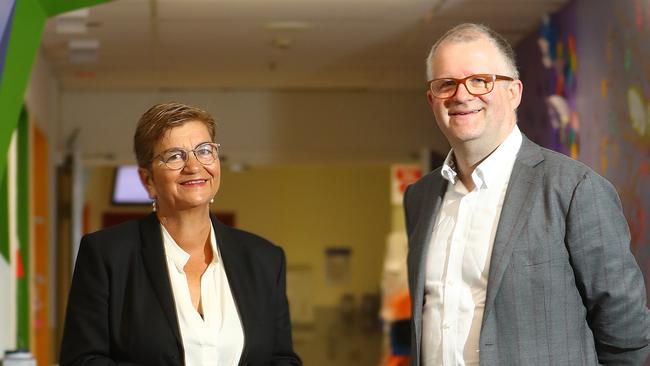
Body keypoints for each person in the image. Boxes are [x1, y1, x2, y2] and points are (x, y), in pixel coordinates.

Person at [404, 23, 650, 365]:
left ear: (514, 92)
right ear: (432, 100)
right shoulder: (420, 198)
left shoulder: (575, 188)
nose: (461, 95)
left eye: (480, 80)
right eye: (446, 84)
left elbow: (626, 333)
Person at [60, 102, 302, 366]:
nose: (194, 166)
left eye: (205, 150)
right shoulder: (107, 255)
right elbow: (82, 360)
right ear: (147, 180)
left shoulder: (264, 259)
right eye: (175, 156)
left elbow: (282, 359)